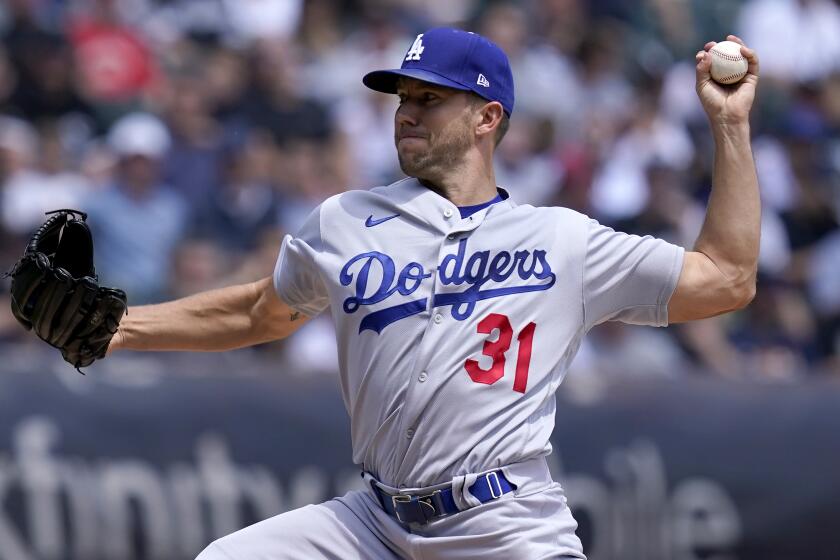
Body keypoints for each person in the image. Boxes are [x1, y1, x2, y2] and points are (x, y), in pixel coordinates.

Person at [108, 27, 761, 560]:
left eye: (430, 98)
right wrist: (122, 325)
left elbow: (727, 279)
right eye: (403, 98)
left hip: (504, 526)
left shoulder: (561, 239)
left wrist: (729, 127)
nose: (408, 112)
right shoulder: (344, 220)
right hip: (369, 524)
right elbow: (260, 311)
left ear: (487, 117)